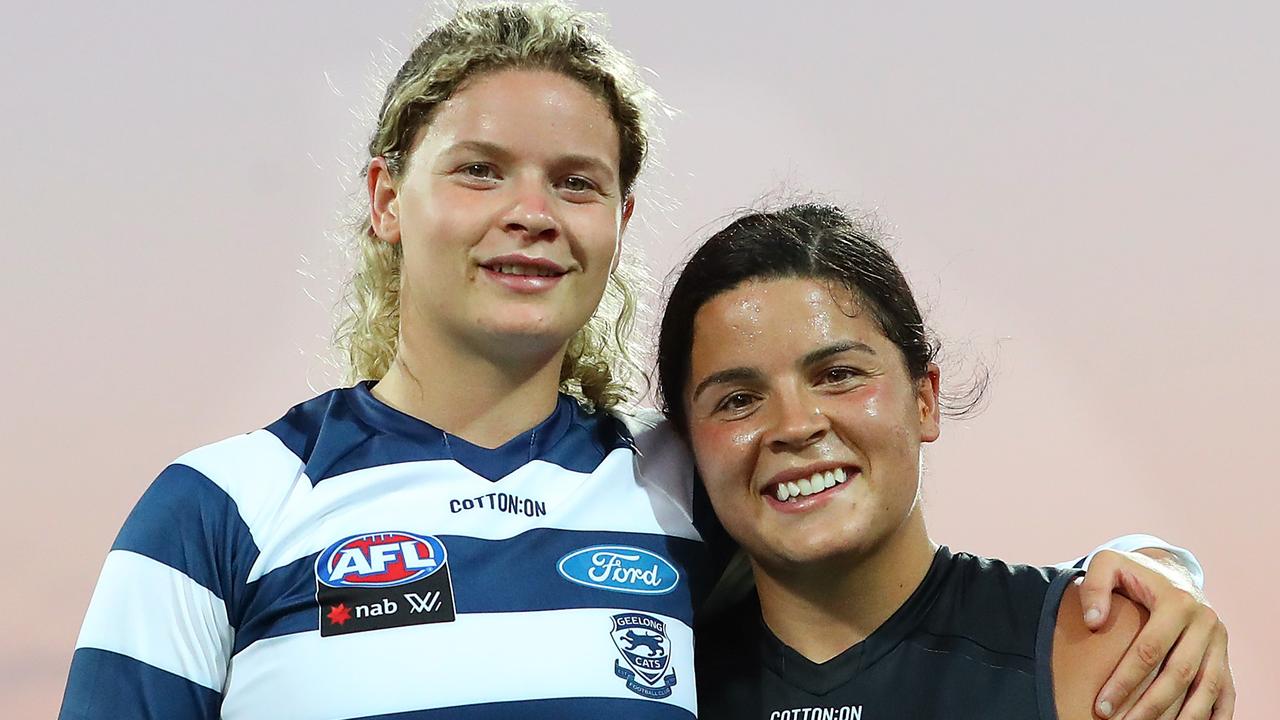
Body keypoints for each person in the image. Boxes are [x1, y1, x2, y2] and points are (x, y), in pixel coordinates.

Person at [59, 3, 1229, 719]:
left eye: (575, 181)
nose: (531, 211)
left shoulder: (673, 492)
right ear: (384, 199)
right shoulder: (220, 508)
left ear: (617, 220)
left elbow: (871, 555)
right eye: (478, 170)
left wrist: (1143, 573)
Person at [656, 203, 1236, 720]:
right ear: (687, 442)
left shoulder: (1109, 656)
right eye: (738, 401)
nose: (795, 425)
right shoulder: (651, 687)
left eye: (838, 375)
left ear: (925, 399)